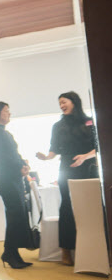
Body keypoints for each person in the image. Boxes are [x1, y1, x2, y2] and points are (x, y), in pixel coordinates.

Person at [36, 91, 98, 266]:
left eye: (64, 102)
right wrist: (46, 158)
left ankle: (98, 249)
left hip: (88, 168)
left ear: (74, 102)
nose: (62, 105)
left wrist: (85, 157)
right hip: (66, 170)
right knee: (67, 207)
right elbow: (54, 149)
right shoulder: (57, 126)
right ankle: (66, 250)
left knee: (92, 207)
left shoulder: (89, 122)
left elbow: (98, 146)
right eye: (60, 103)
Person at [0, 102, 33, 269]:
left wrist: (23, 165)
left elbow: (14, 154)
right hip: (6, 179)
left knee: (17, 215)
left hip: (13, 177)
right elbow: (2, 157)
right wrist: (19, 167)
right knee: (15, 216)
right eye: (6, 111)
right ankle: (9, 253)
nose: (9, 113)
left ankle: (12, 253)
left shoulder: (4, 133)